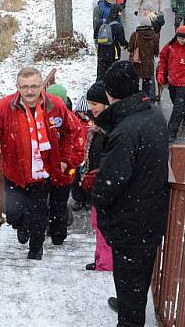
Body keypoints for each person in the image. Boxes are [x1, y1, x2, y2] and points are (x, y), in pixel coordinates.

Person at [0, 67, 84, 260]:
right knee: (13, 215)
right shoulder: (6, 106)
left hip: (42, 176)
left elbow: (74, 131)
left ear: (42, 85)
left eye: (34, 86)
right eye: (25, 87)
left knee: (38, 216)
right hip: (14, 174)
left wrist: (66, 160)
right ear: (18, 87)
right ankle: (21, 225)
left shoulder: (55, 105)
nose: (30, 91)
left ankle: (36, 250)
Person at [91, 61, 169, 327]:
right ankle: (129, 305)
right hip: (149, 215)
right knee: (137, 278)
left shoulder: (126, 131)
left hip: (131, 223)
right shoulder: (152, 113)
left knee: (129, 276)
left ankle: (129, 317)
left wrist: (96, 195)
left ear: (111, 95)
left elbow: (111, 183)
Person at [45, 84, 86, 242]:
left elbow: (78, 149)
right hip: (46, 171)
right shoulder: (42, 116)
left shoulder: (72, 121)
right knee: (46, 202)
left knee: (59, 203)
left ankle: (58, 234)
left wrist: (67, 163)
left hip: (64, 173)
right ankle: (49, 229)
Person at [79, 82, 112, 272]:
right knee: (97, 224)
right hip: (98, 187)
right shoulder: (98, 127)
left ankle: (105, 265)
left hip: (105, 187)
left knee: (103, 226)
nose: (91, 108)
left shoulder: (110, 129)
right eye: (90, 103)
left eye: (94, 104)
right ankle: (100, 259)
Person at [128, 16, 160, 100]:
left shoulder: (135, 35)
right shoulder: (155, 36)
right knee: (147, 83)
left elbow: (130, 48)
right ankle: (146, 99)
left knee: (135, 81)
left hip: (137, 64)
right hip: (148, 64)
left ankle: (136, 99)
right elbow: (156, 52)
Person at [95, 3, 127, 80]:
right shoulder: (118, 26)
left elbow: (96, 35)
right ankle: (109, 88)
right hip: (113, 52)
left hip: (101, 51)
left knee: (101, 72)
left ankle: (99, 87)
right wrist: (127, 45)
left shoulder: (101, 23)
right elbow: (122, 41)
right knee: (111, 72)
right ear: (118, 13)